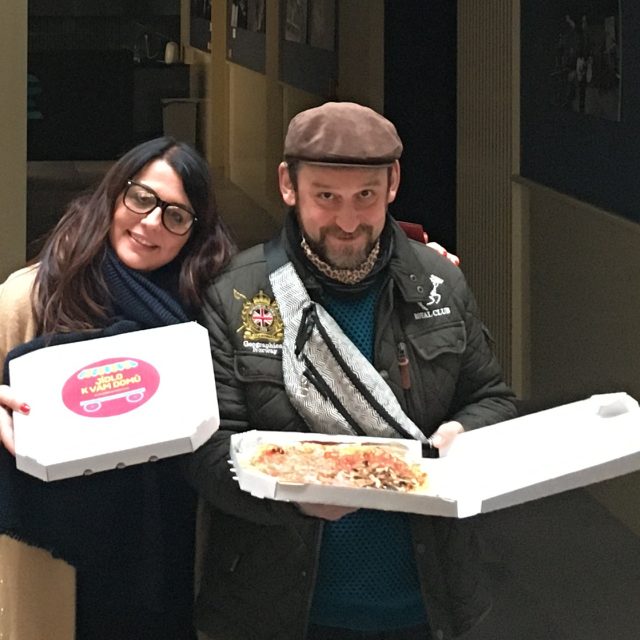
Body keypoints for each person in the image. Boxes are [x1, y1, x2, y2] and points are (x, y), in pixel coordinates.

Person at [187, 101, 517, 640]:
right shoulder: (235, 295)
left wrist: (464, 432)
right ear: (288, 185)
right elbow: (205, 455)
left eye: (365, 196)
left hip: (426, 600)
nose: (346, 222)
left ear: (393, 184)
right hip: (280, 605)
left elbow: (494, 398)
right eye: (326, 197)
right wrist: (292, 493)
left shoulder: (439, 282)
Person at [0, 136, 235, 640]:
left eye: (176, 215)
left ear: (194, 233)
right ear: (114, 194)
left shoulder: (209, 311)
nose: (151, 222)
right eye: (141, 198)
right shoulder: (32, 296)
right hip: (64, 559)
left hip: (173, 547)